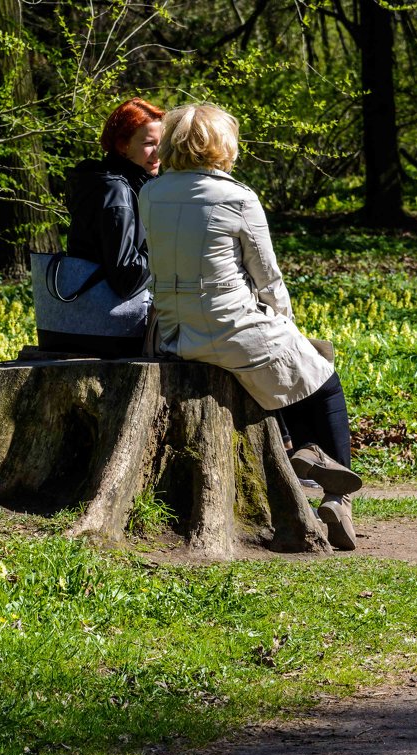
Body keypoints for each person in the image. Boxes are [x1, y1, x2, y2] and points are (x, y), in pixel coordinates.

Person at [138, 103, 361, 549]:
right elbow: (268, 278)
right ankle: (335, 493)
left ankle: (305, 455)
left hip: (175, 335)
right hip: (232, 330)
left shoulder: (151, 194)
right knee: (321, 372)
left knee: (295, 367)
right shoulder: (238, 197)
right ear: (221, 145)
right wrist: (288, 328)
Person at [57, 97, 164, 357]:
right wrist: (165, 239)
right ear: (123, 146)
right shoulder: (116, 191)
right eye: (149, 144)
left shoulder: (108, 182)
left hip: (88, 323)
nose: (158, 154)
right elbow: (126, 278)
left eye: (162, 144)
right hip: (109, 331)